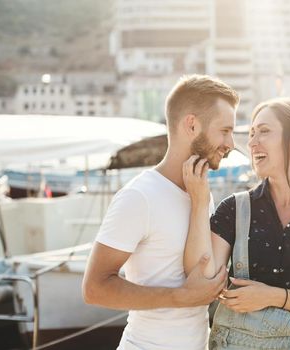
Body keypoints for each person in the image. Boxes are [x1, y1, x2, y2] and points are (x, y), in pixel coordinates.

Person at [183, 97, 290, 349]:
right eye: (252, 133)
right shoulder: (234, 208)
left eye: (264, 131)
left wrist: (272, 296)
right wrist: (199, 203)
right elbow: (201, 277)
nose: (252, 142)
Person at [82, 75, 239, 350]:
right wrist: (181, 297)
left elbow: (204, 274)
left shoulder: (202, 193)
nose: (231, 143)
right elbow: (95, 288)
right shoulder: (139, 196)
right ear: (191, 125)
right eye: (224, 131)